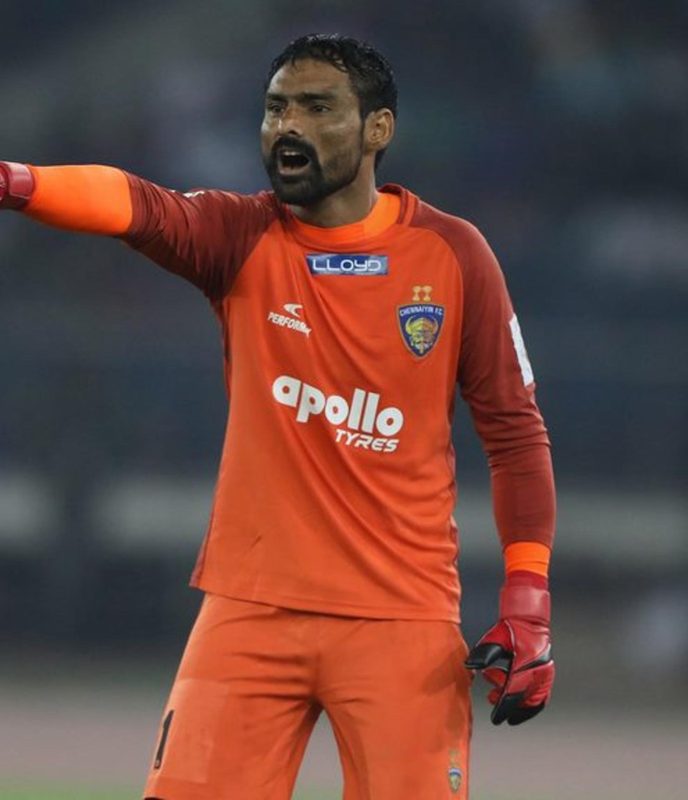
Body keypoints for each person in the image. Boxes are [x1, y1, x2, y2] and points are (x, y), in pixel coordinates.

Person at [0, 33, 556, 800]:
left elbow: (515, 435)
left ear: (378, 129)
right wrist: (14, 181)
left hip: (401, 619)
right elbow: (135, 205)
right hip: (249, 609)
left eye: (317, 107)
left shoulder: (455, 256)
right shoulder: (240, 235)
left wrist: (528, 600)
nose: (287, 126)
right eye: (275, 108)